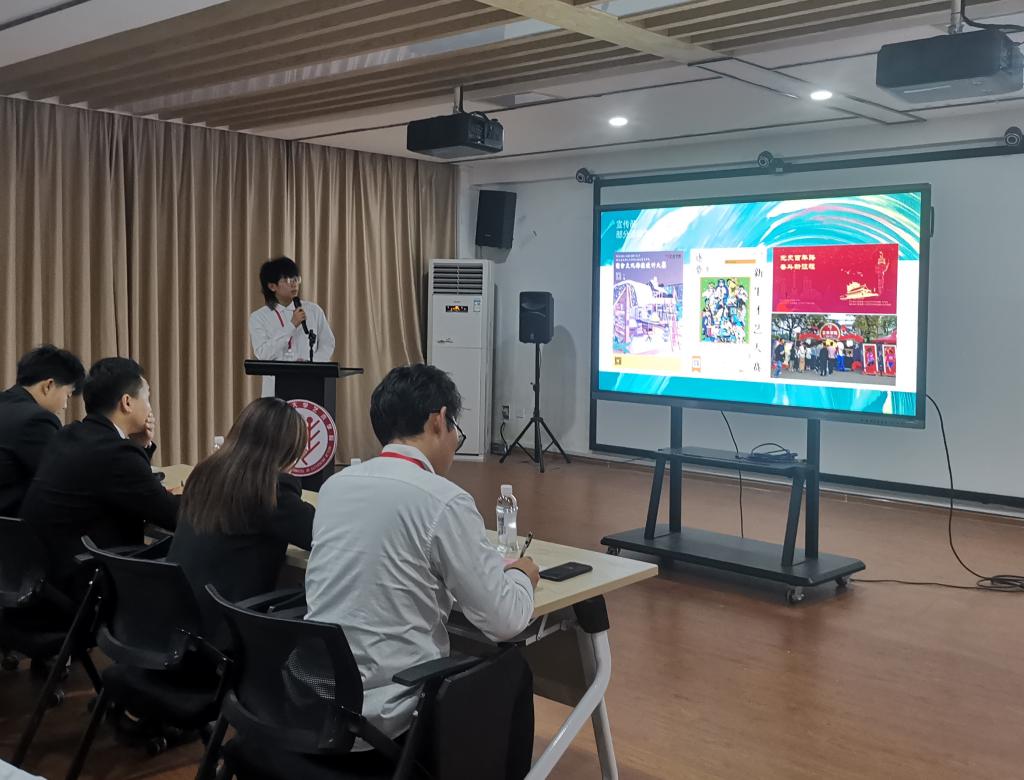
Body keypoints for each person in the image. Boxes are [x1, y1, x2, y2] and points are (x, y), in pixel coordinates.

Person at [304, 364, 539, 773]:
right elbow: (504, 621)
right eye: (455, 430)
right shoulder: (443, 500)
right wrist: (522, 574)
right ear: (438, 420)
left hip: (316, 701)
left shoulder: (335, 486)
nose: (455, 442)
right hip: (385, 716)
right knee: (514, 669)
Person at [20, 358, 180, 591]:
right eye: (147, 397)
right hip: (82, 581)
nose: (149, 407)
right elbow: (171, 515)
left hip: (42, 575)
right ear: (127, 402)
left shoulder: (69, 434)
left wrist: (139, 446)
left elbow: (132, 489)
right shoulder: (117, 453)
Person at [168, 397, 314, 639]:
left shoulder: (206, 472)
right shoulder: (269, 490)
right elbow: (317, 533)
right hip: (224, 629)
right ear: (289, 450)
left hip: (178, 620)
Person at [0, 345, 85, 517]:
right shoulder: (36, 420)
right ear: (49, 385)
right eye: (68, 395)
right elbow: (61, 480)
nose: (65, 406)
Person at [248, 256, 336, 397]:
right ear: (272, 286)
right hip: (276, 390)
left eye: (296, 278)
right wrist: (291, 325)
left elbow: (327, 343)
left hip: (310, 384)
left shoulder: (313, 310)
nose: (294, 284)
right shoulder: (259, 317)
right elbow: (263, 353)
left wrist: (312, 365)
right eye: (288, 280)